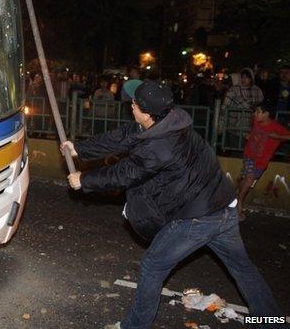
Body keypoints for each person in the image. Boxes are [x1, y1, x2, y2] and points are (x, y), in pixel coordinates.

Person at [60, 80, 283, 329]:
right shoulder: (172, 119)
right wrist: (80, 148)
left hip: (198, 218)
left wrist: (85, 179)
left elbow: (125, 173)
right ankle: (273, 322)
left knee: (152, 266)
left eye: (134, 104)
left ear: (146, 112)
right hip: (225, 207)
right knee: (243, 269)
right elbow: (125, 136)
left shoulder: (160, 146)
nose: (130, 107)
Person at [237, 101, 290, 220]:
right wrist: (250, 136)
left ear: (267, 114)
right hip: (249, 156)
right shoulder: (256, 121)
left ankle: (237, 199)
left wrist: (278, 137)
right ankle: (238, 205)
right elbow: (254, 131)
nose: (255, 114)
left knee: (247, 182)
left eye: (258, 112)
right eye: (255, 111)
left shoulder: (275, 127)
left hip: (262, 162)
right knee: (249, 180)